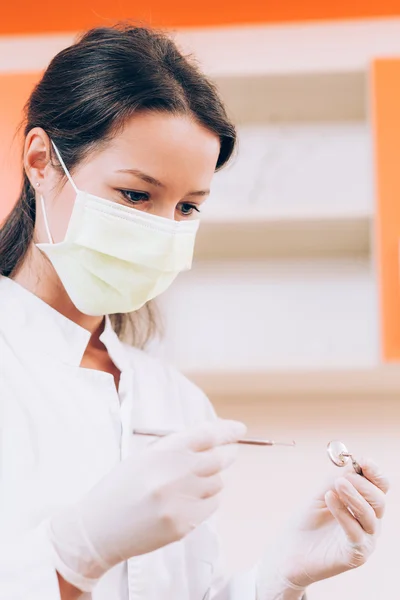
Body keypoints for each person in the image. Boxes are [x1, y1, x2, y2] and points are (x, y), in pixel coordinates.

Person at [0, 24, 389, 600]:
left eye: (187, 206)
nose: (161, 228)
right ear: (41, 161)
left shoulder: (174, 400)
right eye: (136, 195)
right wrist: (73, 553)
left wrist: (273, 580)